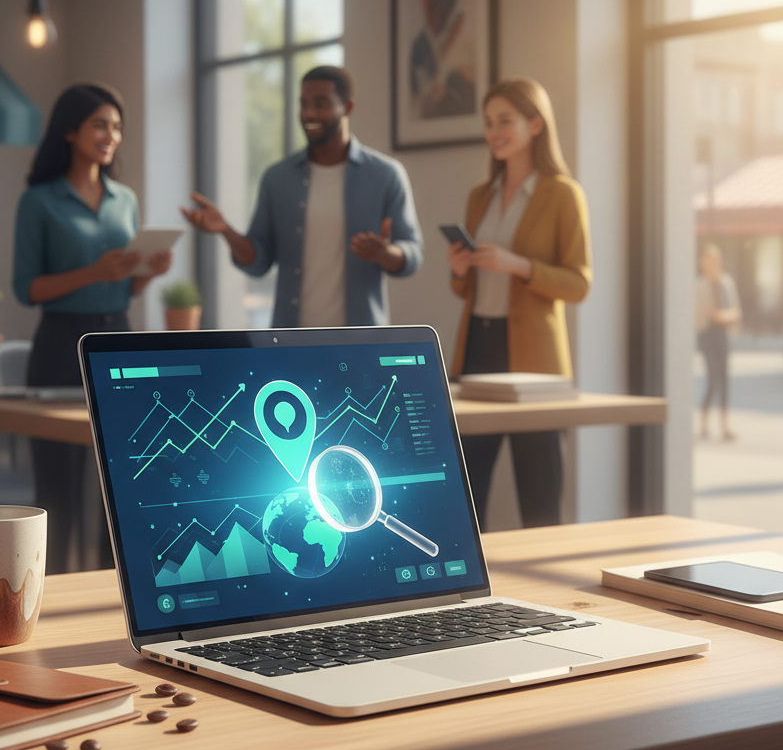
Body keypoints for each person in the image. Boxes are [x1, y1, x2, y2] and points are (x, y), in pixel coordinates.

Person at [13, 83, 173, 573]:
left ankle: (114, 593)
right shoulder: (39, 201)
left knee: (121, 483)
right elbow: (27, 288)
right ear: (70, 131)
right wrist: (94, 273)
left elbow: (124, 287)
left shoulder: (125, 199)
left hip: (117, 342)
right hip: (59, 344)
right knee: (57, 487)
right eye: (100, 124)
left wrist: (148, 273)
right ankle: (45, 589)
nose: (111, 136)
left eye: (117, 127)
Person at [448, 77, 591, 530]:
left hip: (535, 361)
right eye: (489, 122)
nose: (494, 132)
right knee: (467, 492)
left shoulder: (563, 193)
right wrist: (460, 269)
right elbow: (462, 291)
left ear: (536, 124)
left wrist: (520, 265)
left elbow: (579, 284)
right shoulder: (479, 196)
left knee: (540, 495)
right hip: (478, 348)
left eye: (504, 120)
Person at [182, 66, 423, 328]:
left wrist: (386, 254)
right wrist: (225, 231)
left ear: (348, 107)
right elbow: (258, 263)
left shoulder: (385, 175)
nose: (309, 113)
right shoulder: (277, 178)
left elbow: (413, 252)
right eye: (303, 104)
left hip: (361, 340)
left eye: (321, 104)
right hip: (291, 339)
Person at [695, 244, 741, 441]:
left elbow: (736, 310)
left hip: (723, 333)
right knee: (713, 378)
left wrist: (721, 316)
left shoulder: (727, 283)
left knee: (724, 379)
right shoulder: (699, 285)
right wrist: (713, 315)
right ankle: (704, 423)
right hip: (706, 334)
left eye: (716, 259)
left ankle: (724, 425)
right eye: (709, 259)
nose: (713, 263)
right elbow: (700, 313)